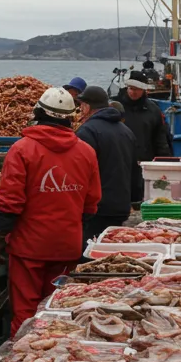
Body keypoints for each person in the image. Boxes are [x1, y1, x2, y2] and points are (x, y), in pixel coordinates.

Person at [0, 88, 102, 335]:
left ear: (38, 113)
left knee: (25, 309)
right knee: (59, 306)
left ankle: (23, 357)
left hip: (28, 248)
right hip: (67, 245)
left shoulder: (22, 150)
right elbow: (92, 202)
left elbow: (10, 202)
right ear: (69, 117)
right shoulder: (86, 152)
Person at [74, 86, 137, 246]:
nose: (80, 110)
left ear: (87, 107)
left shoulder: (86, 132)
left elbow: (81, 173)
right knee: (112, 249)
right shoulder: (127, 131)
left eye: (81, 106)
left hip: (97, 208)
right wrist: (134, 200)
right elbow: (134, 170)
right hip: (121, 205)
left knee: (90, 251)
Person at [116, 70, 172, 165]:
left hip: (145, 161)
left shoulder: (154, 110)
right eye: (131, 88)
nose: (134, 92)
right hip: (120, 161)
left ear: (143, 90)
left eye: (137, 89)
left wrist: (165, 161)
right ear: (127, 88)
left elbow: (160, 139)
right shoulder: (116, 107)